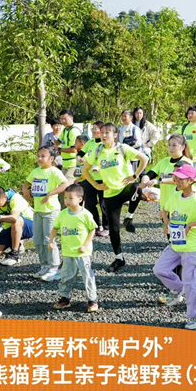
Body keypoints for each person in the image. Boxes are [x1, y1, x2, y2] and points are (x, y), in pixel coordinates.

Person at [81, 122, 149, 273]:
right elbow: (85, 170)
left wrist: (135, 175)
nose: (104, 135)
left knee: (137, 189)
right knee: (113, 229)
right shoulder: (97, 151)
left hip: (124, 188)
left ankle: (129, 217)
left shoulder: (122, 148)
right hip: (110, 194)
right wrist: (96, 185)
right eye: (102, 132)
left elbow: (144, 159)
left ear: (115, 134)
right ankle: (119, 258)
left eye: (107, 132)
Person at [156, 165, 196, 330]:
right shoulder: (175, 195)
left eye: (180, 179)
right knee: (159, 269)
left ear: (190, 181)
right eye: (175, 178)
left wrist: (191, 224)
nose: (176, 181)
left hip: (191, 248)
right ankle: (179, 288)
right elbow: (164, 210)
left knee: (190, 282)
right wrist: (166, 224)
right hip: (175, 245)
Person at [49, 184, 99, 313]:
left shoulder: (85, 214)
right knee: (66, 275)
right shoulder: (62, 214)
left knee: (87, 276)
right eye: (65, 198)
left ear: (80, 199)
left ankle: (92, 300)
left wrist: (85, 245)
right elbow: (55, 228)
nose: (67, 200)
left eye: (70, 198)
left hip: (82, 253)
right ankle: (65, 297)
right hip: (68, 252)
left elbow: (92, 230)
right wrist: (51, 241)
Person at [23, 146, 69, 282]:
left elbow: (65, 184)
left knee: (49, 240)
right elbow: (27, 182)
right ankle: (44, 266)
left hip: (51, 211)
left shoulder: (54, 171)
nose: (39, 158)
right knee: (38, 240)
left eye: (43, 156)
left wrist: (50, 193)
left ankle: (54, 268)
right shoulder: (35, 171)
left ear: (51, 158)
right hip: (38, 210)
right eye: (38, 155)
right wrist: (25, 190)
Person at [0, 185, 34, 266]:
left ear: (5, 197)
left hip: (31, 225)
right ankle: (17, 244)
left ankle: (15, 254)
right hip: (12, 228)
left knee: (16, 221)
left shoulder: (15, 198)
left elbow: (14, 218)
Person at [78, 122, 108, 236]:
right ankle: (96, 225)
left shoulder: (104, 144)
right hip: (90, 178)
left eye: (96, 129)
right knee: (90, 203)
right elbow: (80, 153)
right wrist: (79, 158)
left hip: (103, 178)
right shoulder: (90, 142)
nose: (94, 131)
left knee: (104, 204)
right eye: (93, 129)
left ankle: (107, 227)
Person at [56, 110, 81, 201]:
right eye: (61, 119)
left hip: (72, 164)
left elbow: (74, 149)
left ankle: (68, 208)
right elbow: (58, 141)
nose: (62, 121)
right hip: (65, 163)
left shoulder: (74, 131)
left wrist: (59, 149)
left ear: (71, 118)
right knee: (62, 187)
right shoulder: (65, 130)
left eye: (65, 119)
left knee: (67, 189)